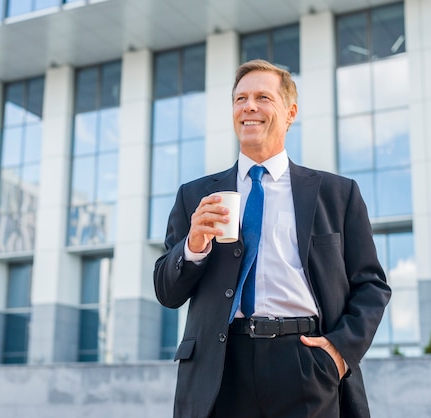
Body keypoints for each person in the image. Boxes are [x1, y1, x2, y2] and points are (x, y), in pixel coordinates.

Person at [153, 59, 391, 418]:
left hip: (306, 364)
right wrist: (193, 247)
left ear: (290, 111)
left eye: (262, 97)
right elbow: (167, 292)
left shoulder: (337, 194)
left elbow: (372, 285)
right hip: (220, 369)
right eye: (240, 99)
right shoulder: (196, 196)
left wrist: (338, 353)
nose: (249, 107)